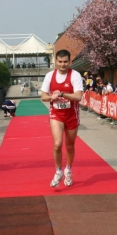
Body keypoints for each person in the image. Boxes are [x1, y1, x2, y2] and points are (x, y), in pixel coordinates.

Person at [40, 49, 83, 188]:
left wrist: (63, 94)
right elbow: (43, 97)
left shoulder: (75, 75)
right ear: (56, 61)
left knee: (69, 145)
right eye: (60, 62)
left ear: (69, 62)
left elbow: (78, 96)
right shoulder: (49, 76)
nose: (63, 64)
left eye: (65, 62)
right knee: (57, 143)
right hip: (56, 115)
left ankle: (68, 169)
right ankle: (58, 171)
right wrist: (51, 97)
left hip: (71, 115)